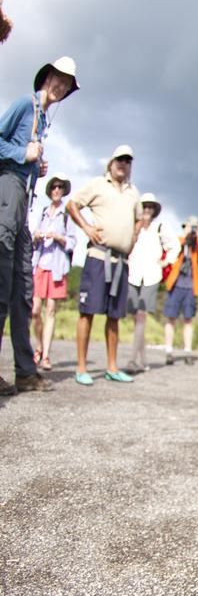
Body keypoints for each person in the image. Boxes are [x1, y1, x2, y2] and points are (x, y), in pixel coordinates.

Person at [0, 55, 79, 395]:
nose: (61, 86)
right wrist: (22, 156)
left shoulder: (43, 119)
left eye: (67, 84)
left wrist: (37, 167)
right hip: (8, 191)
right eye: (58, 78)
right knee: (2, 283)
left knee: (22, 289)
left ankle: (25, 371)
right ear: (46, 77)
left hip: (25, 201)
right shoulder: (23, 104)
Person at [66, 144, 142, 385]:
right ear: (111, 163)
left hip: (121, 261)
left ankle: (112, 366)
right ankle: (81, 367)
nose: (123, 164)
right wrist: (87, 228)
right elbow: (72, 205)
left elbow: (139, 220)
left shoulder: (133, 192)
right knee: (87, 312)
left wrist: (132, 238)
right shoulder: (98, 184)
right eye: (119, 159)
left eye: (128, 160)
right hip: (98, 258)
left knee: (114, 315)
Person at [125, 192, 177, 372]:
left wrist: (165, 262)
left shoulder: (160, 227)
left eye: (150, 207)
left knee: (141, 315)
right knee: (137, 319)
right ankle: (143, 360)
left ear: (154, 210)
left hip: (151, 275)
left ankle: (132, 360)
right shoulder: (134, 227)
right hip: (132, 274)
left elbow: (174, 246)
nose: (147, 210)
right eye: (144, 206)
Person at [30, 174, 77, 370]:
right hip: (40, 264)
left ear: (64, 190)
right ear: (50, 191)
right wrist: (37, 236)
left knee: (50, 310)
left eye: (60, 187)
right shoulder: (42, 212)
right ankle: (39, 346)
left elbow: (73, 241)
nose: (57, 190)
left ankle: (46, 354)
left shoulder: (66, 216)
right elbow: (32, 237)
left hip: (57, 267)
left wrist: (58, 236)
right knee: (34, 311)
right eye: (54, 187)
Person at [162, 215, 198, 366]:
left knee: (188, 320)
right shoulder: (178, 241)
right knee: (171, 318)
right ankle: (169, 351)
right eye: (190, 227)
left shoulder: (197, 246)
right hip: (176, 285)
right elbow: (171, 249)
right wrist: (186, 236)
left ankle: (187, 351)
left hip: (190, 287)